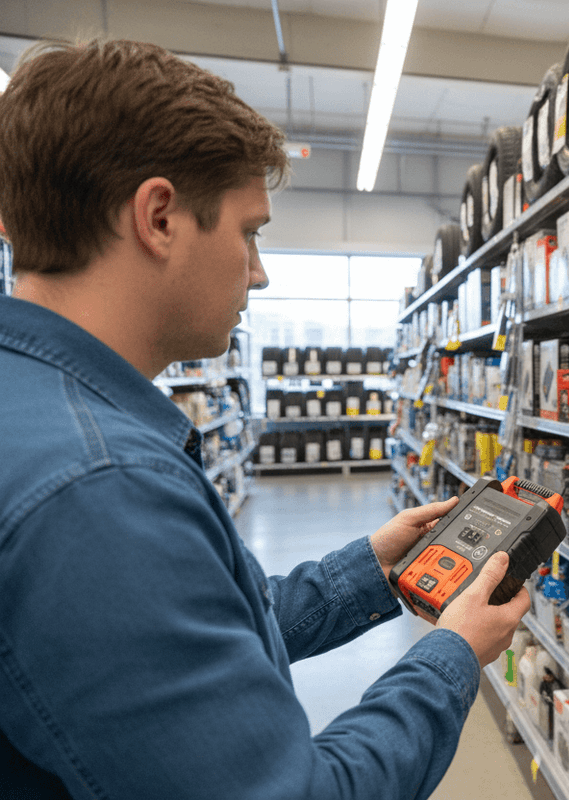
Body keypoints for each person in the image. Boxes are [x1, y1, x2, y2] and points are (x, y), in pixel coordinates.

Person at [0, 38, 530, 799]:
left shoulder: (37, 404)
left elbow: (187, 642)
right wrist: (452, 654)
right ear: (158, 218)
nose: (260, 270)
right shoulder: (97, 488)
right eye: (249, 232)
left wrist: (371, 570)